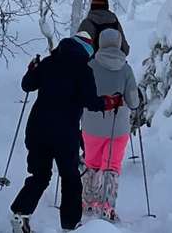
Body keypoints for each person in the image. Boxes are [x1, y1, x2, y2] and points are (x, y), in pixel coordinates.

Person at [8, 30, 111, 233]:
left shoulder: (48, 62)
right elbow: (91, 101)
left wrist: (31, 70)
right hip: (65, 134)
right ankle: (70, 225)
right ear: (87, 49)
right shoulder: (83, 70)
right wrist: (109, 102)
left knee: (40, 175)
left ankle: (20, 214)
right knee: (70, 178)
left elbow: (27, 85)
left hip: (37, 130)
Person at [79, 28, 141, 221]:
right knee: (111, 167)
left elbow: (80, 94)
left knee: (91, 164)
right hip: (119, 127)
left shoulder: (90, 65)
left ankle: (87, 203)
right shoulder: (126, 68)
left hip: (91, 126)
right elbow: (133, 101)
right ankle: (107, 208)